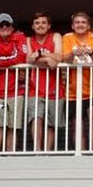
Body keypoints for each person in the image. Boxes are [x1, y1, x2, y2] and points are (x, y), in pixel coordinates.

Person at [0, 13, 29, 153]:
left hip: (17, 91)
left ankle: (10, 154)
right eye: (1, 25)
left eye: (7, 24)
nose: (4, 27)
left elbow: (21, 57)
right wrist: (4, 61)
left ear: (12, 27)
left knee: (13, 126)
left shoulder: (19, 37)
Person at [24, 12, 65, 152]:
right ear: (33, 26)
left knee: (50, 123)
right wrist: (48, 60)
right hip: (34, 87)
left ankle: (47, 152)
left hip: (55, 88)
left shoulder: (55, 36)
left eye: (43, 23)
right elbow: (29, 59)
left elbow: (59, 57)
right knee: (36, 118)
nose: (40, 25)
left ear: (49, 25)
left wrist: (41, 55)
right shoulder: (29, 40)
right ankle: (37, 150)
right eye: (37, 23)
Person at [62, 11, 93, 148]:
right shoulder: (67, 38)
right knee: (77, 125)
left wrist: (91, 52)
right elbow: (64, 59)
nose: (80, 25)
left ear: (88, 26)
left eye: (83, 22)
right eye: (77, 22)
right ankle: (81, 154)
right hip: (73, 91)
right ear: (73, 26)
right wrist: (73, 53)